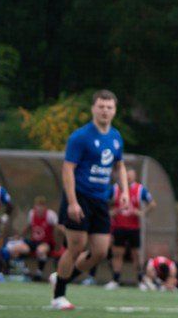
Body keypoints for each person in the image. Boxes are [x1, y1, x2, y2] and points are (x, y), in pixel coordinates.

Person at [50, 90, 124, 310]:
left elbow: (119, 165)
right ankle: (58, 296)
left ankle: (62, 277)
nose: (105, 111)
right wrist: (72, 202)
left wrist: (125, 192)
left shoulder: (116, 137)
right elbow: (68, 169)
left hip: (100, 200)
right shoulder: (80, 137)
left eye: (109, 107)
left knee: (100, 251)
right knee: (76, 246)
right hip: (79, 197)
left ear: (114, 111)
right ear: (93, 108)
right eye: (101, 106)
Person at [106, 162, 149, 288]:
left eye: (131, 176)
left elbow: (152, 203)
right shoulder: (115, 189)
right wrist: (111, 212)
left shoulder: (140, 189)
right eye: (127, 176)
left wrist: (141, 212)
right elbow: (103, 202)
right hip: (119, 227)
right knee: (117, 253)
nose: (129, 178)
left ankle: (140, 280)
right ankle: (115, 279)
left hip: (134, 228)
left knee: (136, 254)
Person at [7, 197, 58, 280]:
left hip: (46, 242)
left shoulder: (50, 215)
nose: (39, 208)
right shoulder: (32, 213)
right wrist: (20, 236)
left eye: (41, 206)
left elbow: (57, 228)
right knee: (16, 248)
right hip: (33, 241)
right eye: (37, 205)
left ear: (45, 207)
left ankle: (39, 273)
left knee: (40, 251)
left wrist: (57, 242)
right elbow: (29, 226)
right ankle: (25, 270)